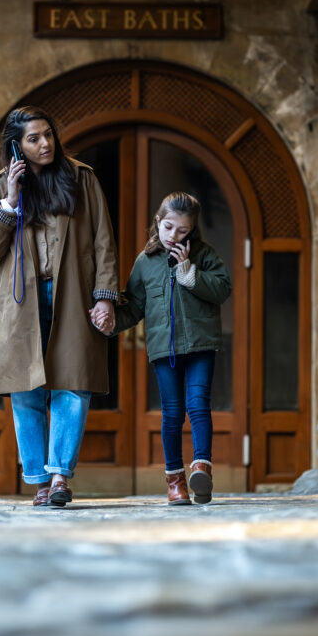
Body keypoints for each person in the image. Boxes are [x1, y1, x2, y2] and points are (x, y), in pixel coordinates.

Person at [0, 106, 118, 508]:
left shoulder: (81, 178)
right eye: (33, 138)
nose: (45, 143)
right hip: (22, 303)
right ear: (16, 146)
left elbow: (104, 239)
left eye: (48, 134)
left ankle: (58, 479)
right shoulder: (1, 185)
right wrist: (11, 201)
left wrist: (105, 297)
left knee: (73, 384)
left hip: (73, 295)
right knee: (26, 389)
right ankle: (37, 480)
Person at [92, 192, 230, 505]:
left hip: (201, 345)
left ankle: (201, 469)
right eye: (169, 227)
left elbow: (223, 288)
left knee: (198, 405)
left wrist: (190, 275)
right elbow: (134, 305)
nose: (174, 236)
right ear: (158, 222)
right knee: (171, 413)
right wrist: (111, 320)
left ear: (192, 230)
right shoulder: (145, 262)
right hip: (163, 350)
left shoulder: (204, 254)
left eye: (182, 231)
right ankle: (175, 482)